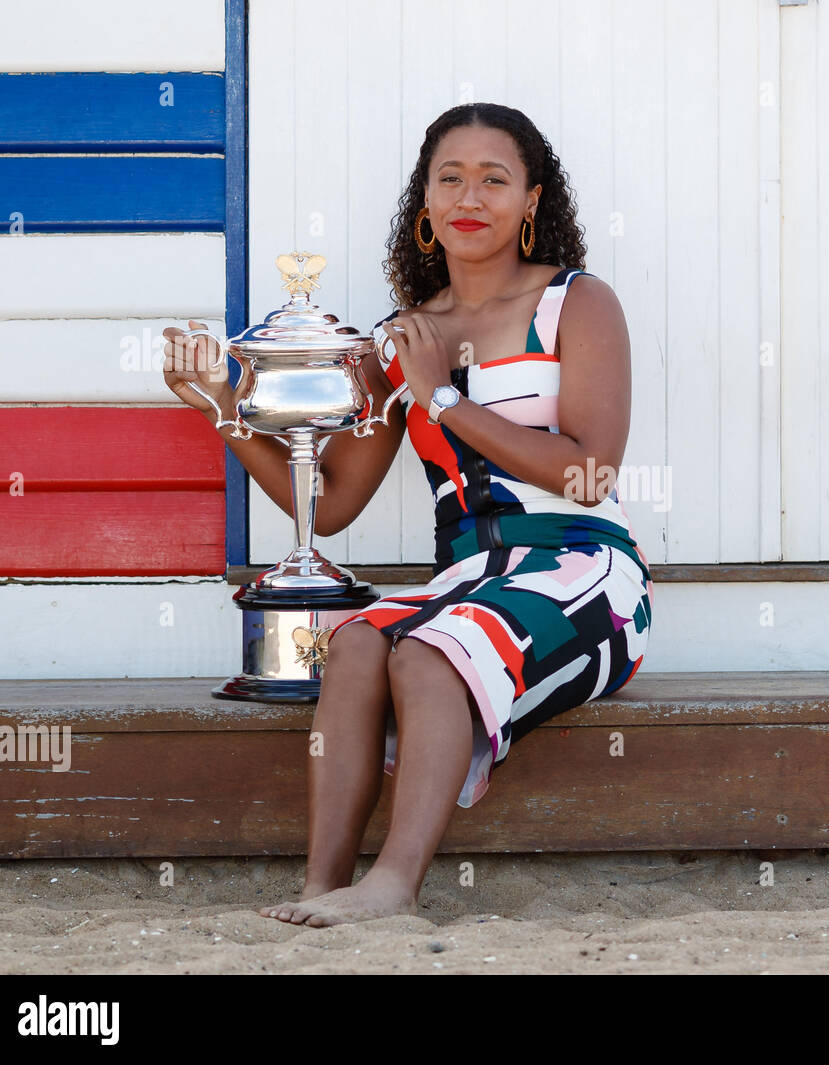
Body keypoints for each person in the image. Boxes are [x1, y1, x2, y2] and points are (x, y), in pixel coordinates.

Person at [162, 102, 652, 927]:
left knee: (427, 654)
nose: (471, 196)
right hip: (468, 577)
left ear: (532, 200)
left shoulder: (576, 302)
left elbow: (591, 473)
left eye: (495, 179)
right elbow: (333, 502)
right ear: (423, 203)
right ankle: (323, 883)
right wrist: (223, 407)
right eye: (449, 178)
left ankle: (393, 885)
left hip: (584, 569)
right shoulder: (402, 337)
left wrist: (445, 396)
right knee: (354, 643)